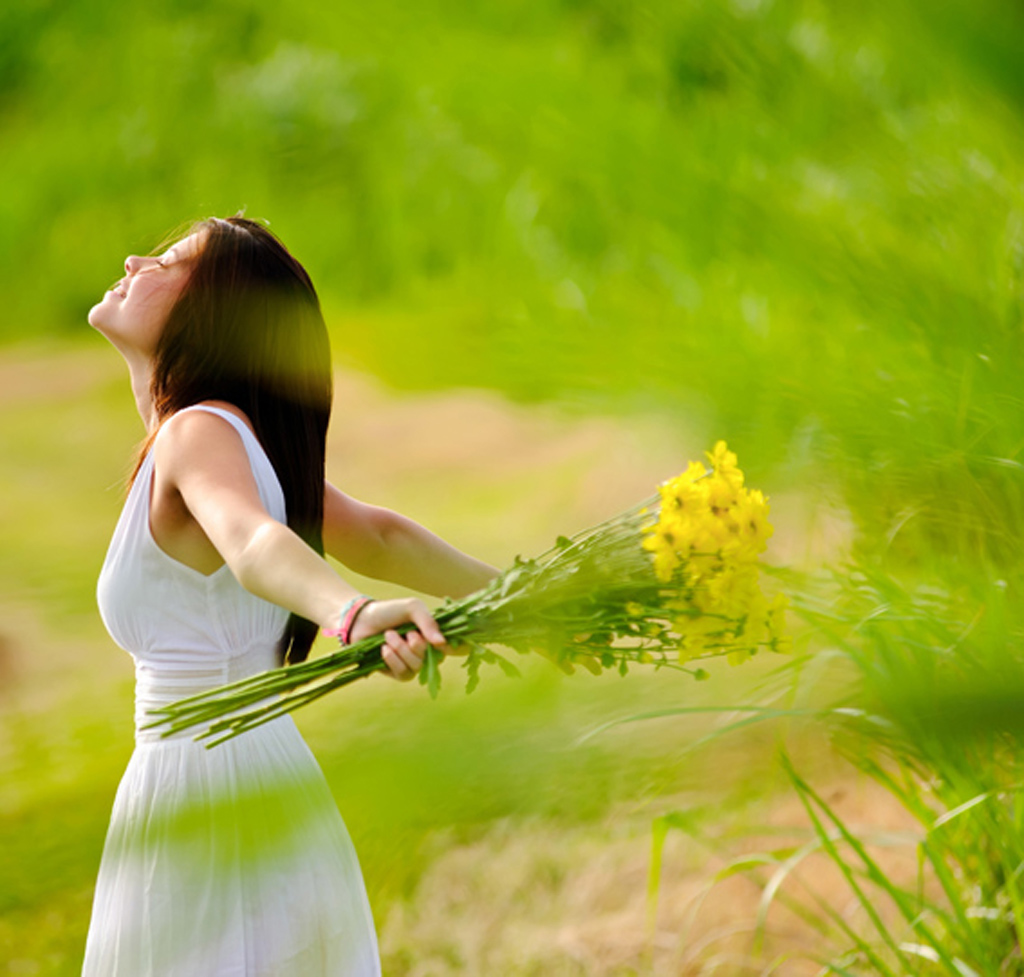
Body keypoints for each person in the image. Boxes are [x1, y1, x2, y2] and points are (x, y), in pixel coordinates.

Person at [82, 215, 497, 975]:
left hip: (204, 786)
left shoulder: (198, 434)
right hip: (259, 771)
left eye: (169, 261)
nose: (135, 258)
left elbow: (253, 542)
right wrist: (518, 596)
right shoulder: (231, 440)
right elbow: (378, 536)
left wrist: (350, 614)